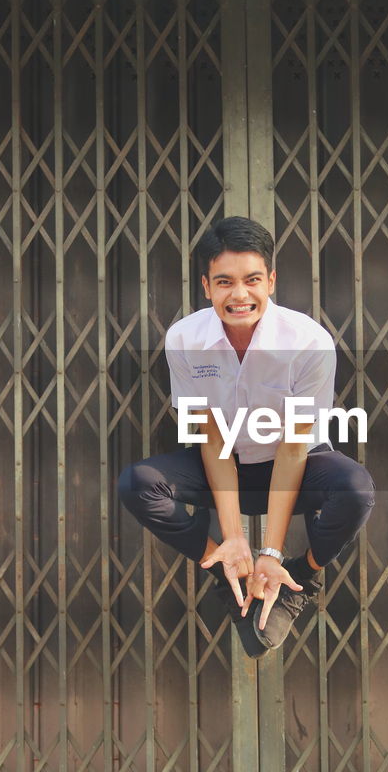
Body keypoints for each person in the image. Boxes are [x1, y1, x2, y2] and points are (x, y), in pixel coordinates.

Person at [117, 217, 374, 658]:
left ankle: (299, 577)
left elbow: (294, 447)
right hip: (226, 466)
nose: (239, 295)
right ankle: (228, 570)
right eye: (224, 282)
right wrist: (235, 538)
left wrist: (270, 552)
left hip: (294, 469)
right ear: (206, 286)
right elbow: (213, 437)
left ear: (270, 281)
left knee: (354, 489)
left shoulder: (307, 341)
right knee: (138, 484)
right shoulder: (185, 338)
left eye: (252, 280)